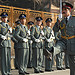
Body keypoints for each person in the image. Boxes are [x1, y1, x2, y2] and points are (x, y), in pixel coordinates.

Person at [53, 2, 75, 75]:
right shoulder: (61, 20)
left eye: (65, 9)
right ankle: (50, 52)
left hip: (72, 43)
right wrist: (58, 22)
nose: (64, 11)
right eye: (63, 9)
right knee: (57, 46)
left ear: (69, 10)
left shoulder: (74, 19)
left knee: (73, 64)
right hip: (63, 41)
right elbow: (55, 30)